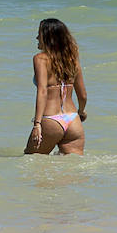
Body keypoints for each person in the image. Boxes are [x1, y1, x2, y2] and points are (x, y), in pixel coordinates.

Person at [24, 17, 87, 155]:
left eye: (39, 35)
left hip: (51, 120)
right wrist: (81, 112)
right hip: (73, 121)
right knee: (72, 171)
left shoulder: (40, 59)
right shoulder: (73, 61)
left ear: (48, 37)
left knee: (32, 162)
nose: (36, 38)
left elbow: (42, 91)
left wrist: (37, 124)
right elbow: (82, 95)